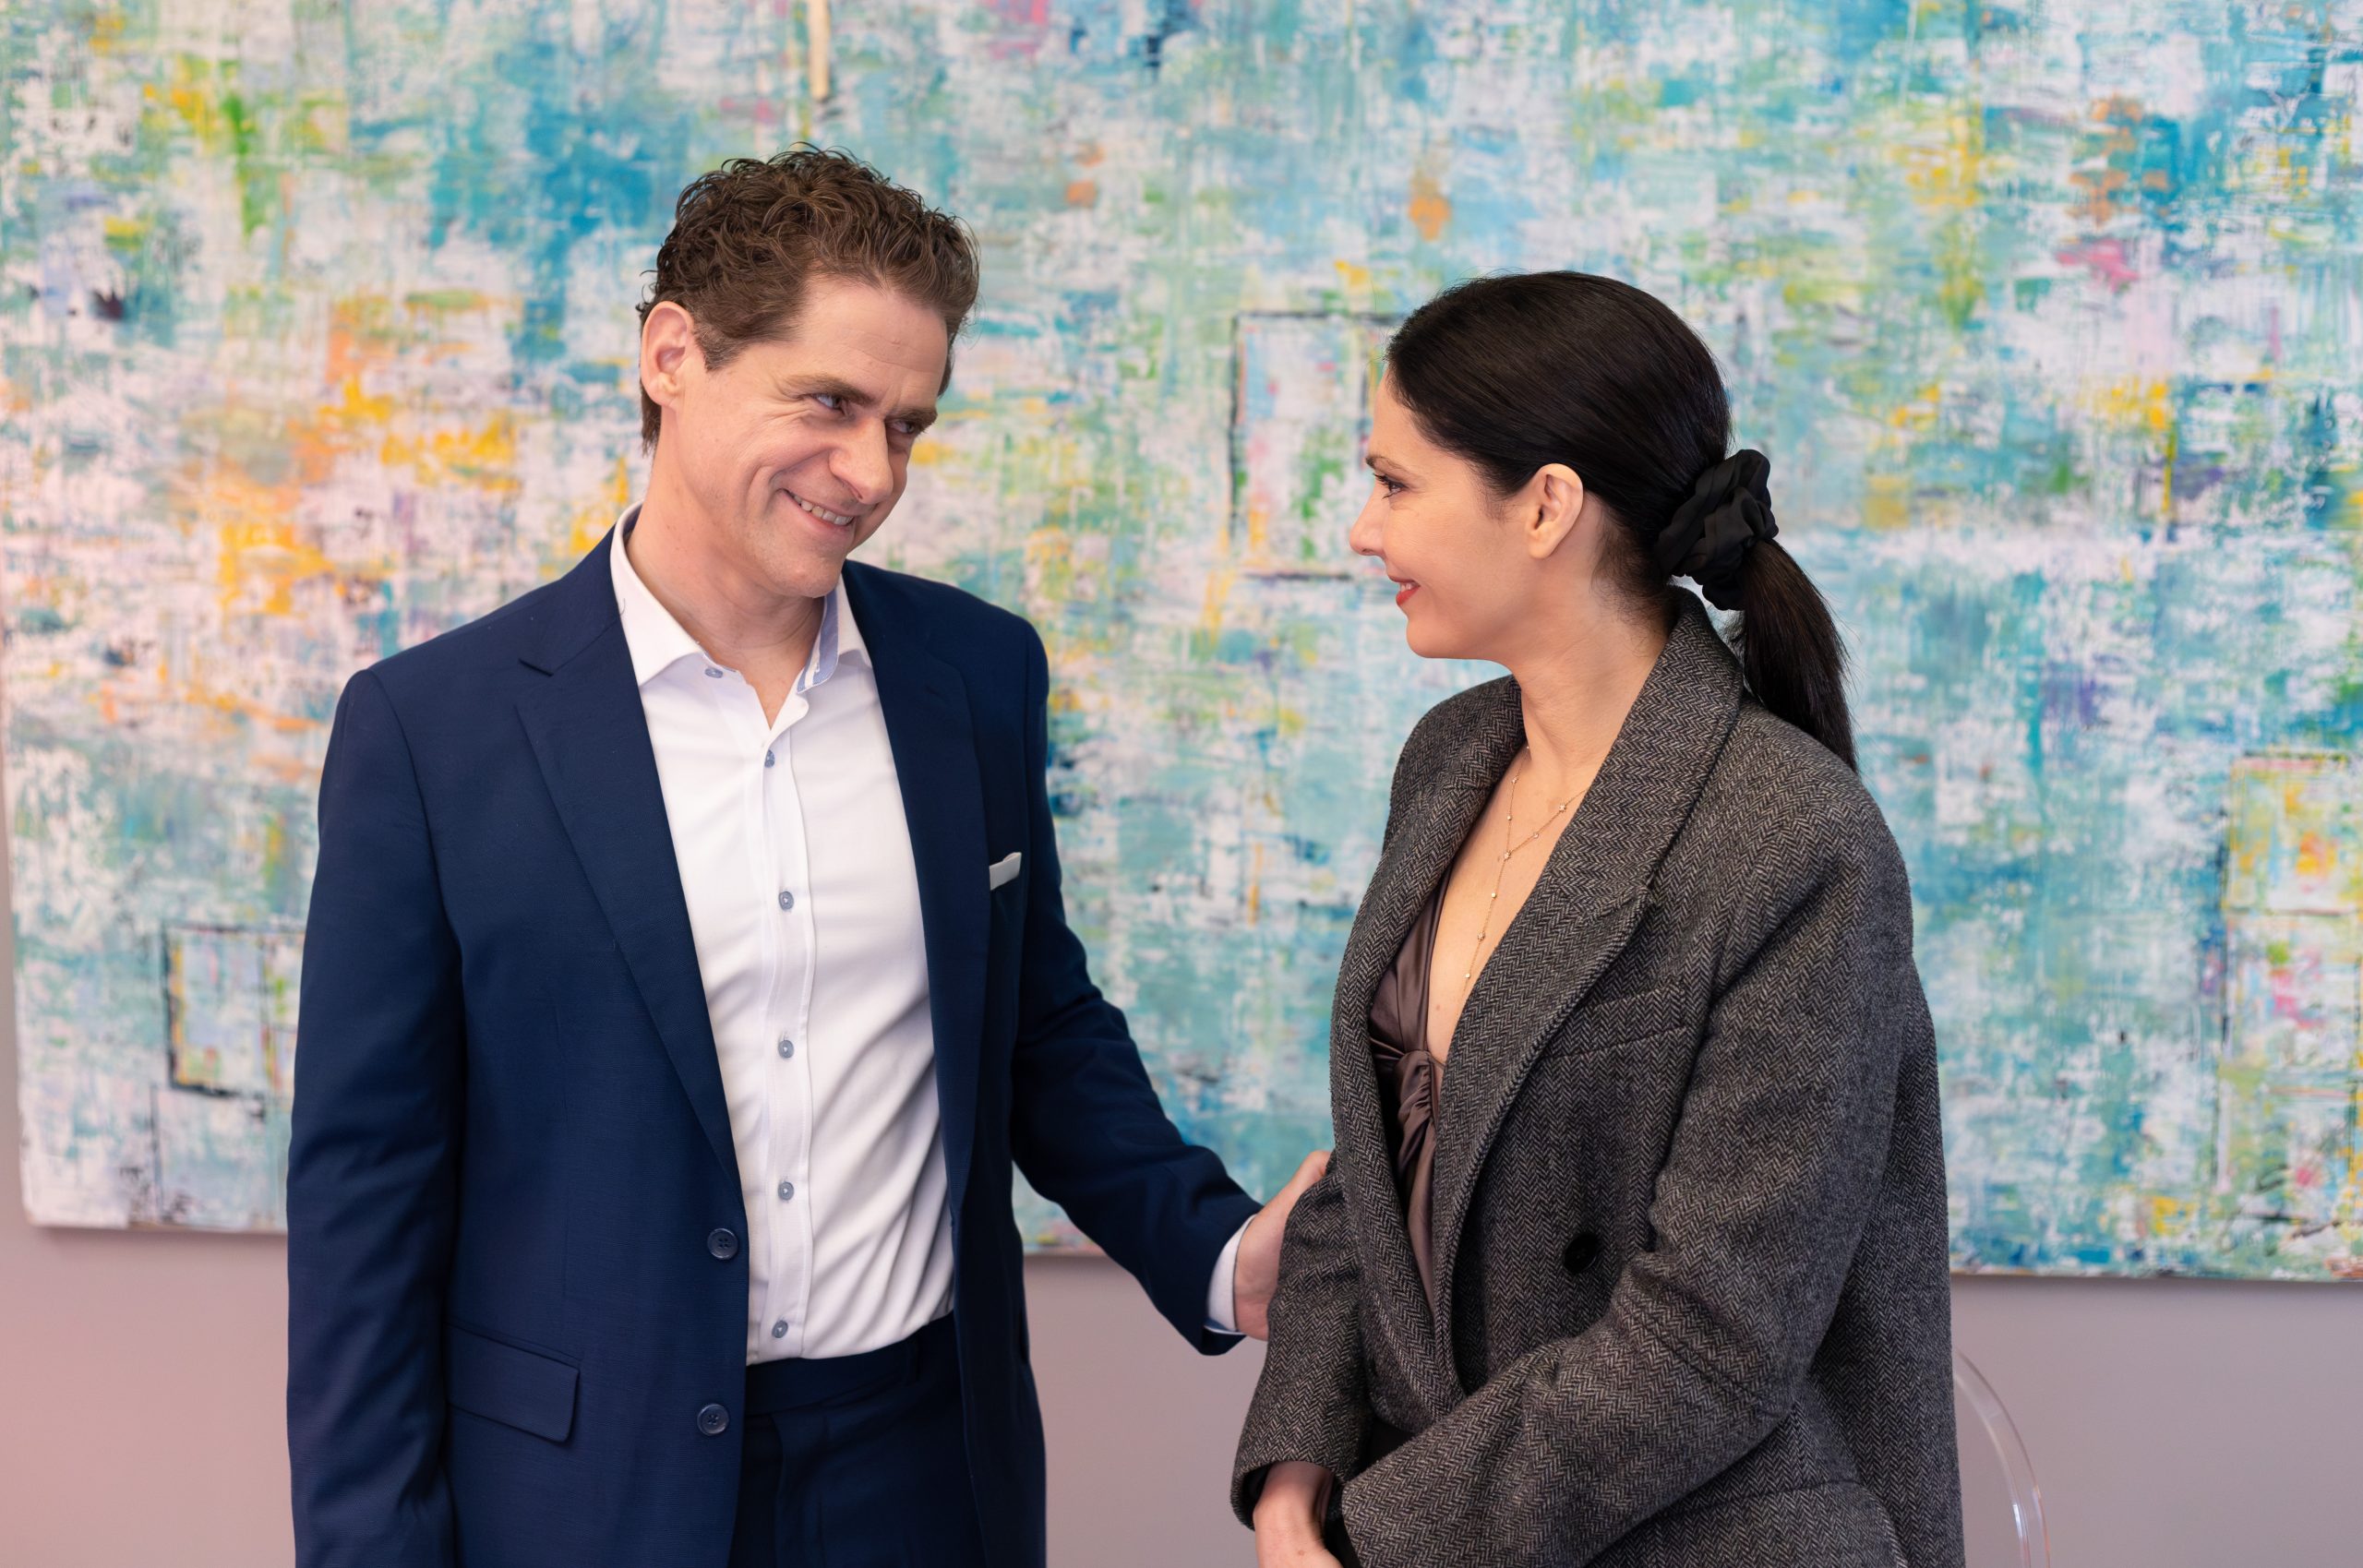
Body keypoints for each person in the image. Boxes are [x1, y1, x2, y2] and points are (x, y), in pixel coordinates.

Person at [287, 146, 1325, 1568]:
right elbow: (366, 1201)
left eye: (907, 425)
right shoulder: (431, 731)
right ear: (672, 356)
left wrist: (1218, 1252)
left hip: (926, 1476)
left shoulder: (977, 676)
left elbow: (1037, 1030)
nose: (872, 472)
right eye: (828, 403)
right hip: (586, 1501)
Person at [1232, 271, 1963, 1568]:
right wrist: (1298, 1472)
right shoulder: (1450, 758)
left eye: (1394, 484)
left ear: (1546, 506)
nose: (1361, 528)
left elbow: (1714, 1338)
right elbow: (1379, 1161)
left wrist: (1379, 1536)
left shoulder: (1796, 840)